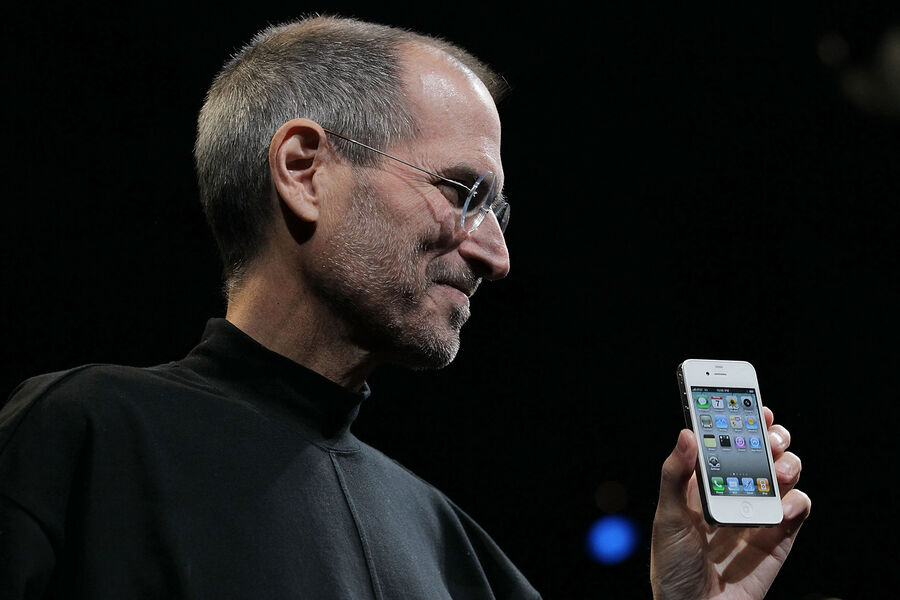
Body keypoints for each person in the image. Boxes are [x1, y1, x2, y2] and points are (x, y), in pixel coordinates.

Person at [0, 15, 810, 600]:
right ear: (304, 170)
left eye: (497, 211)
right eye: (463, 193)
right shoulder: (82, 437)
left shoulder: (453, 549)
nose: (496, 255)